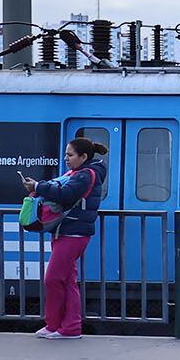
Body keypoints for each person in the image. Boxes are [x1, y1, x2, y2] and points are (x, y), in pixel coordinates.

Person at [20, 137, 109, 340]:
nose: (66, 158)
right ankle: (69, 327)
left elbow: (66, 195)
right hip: (68, 232)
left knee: (52, 279)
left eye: (70, 155)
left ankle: (56, 325)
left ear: (83, 156)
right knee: (67, 281)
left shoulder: (85, 175)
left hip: (73, 233)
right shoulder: (81, 173)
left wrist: (38, 186)